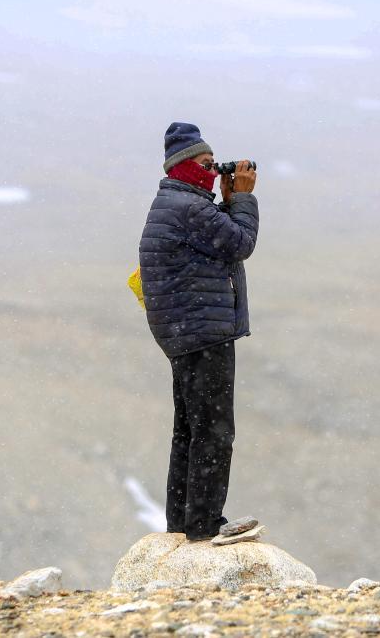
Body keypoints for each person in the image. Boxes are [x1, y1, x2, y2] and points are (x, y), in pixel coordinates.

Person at [138, 122, 259, 541]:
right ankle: (205, 524)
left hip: (185, 331)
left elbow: (214, 241)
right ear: (185, 167)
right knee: (213, 429)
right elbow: (240, 242)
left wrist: (225, 203)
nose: (213, 171)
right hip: (201, 331)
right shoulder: (189, 207)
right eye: (207, 164)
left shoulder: (176, 203)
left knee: (190, 428)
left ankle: (183, 522)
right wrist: (242, 197)